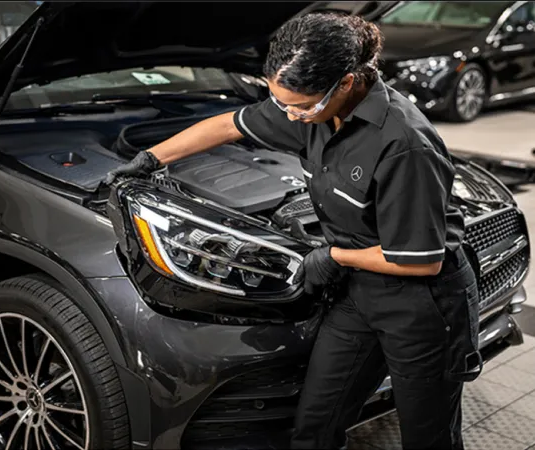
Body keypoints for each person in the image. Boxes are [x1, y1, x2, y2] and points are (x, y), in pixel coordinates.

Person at [105, 12, 481, 450]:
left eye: (299, 106)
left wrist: (332, 257)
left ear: (346, 83)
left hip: (422, 306)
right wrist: (152, 158)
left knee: (427, 438)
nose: (290, 115)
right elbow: (228, 124)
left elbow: (420, 260)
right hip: (357, 294)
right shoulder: (311, 108)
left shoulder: (404, 144)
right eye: (280, 102)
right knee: (314, 427)